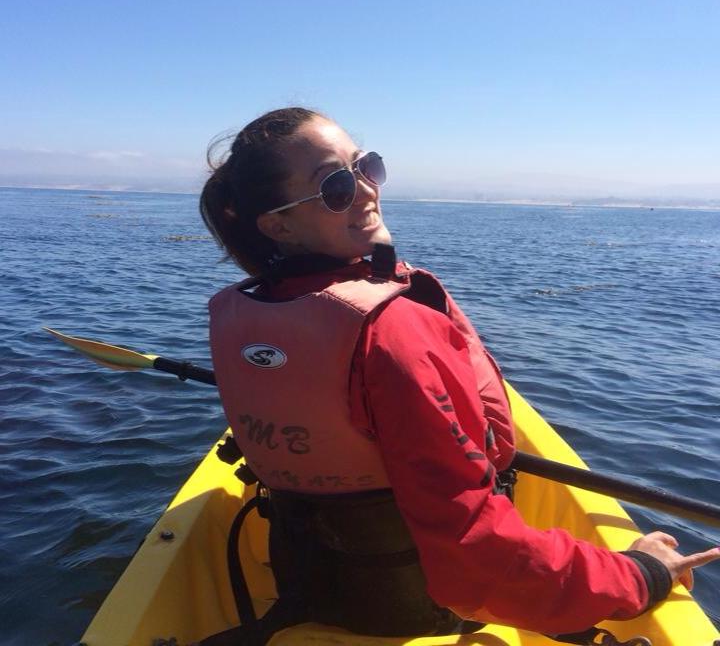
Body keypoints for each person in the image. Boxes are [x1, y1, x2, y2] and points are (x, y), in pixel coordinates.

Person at [199, 107, 719, 641]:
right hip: (420, 607)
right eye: (334, 186)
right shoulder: (390, 331)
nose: (365, 191)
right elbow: (478, 558)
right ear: (278, 224)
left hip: (311, 585)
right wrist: (641, 573)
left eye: (365, 167)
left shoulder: (244, 311)